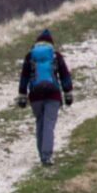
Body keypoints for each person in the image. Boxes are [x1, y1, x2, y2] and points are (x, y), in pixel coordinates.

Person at [16, 28, 74, 166]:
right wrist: (68, 94)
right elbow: (65, 75)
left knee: (40, 123)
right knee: (49, 125)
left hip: (35, 96)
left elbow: (24, 77)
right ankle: (46, 156)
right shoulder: (55, 56)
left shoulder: (30, 56)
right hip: (53, 95)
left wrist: (22, 96)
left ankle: (42, 153)